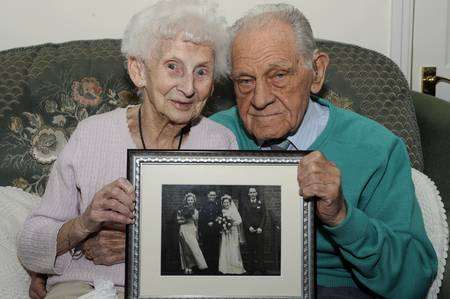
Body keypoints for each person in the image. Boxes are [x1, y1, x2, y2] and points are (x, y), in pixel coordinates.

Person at [209, 3, 437, 298]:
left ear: (316, 73)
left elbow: (414, 280)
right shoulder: (213, 137)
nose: (260, 99)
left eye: (278, 75)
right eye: (245, 81)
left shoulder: (377, 148)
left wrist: (342, 217)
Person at [19, 0, 236, 298]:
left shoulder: (219, 142)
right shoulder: (92, 134)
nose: (188, 87)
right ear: (138, 71)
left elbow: (229, 240)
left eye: (202, 72)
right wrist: (85, 224)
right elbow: (30, 245)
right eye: (173, 67)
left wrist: (142, 245)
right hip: (88, 287)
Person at [176, 192, 207, 274]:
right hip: (183, 229)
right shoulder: (181, 209)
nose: (190, 201)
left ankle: (197, 265)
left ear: (194, 201)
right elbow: (178, 221)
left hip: (192, 230)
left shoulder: (196, 211)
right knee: (185, 249)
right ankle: (187, 267)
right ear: (186, 201)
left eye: (191, 200)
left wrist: (196, 233)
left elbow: (196, 223)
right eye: (188, 200)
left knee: (193, 248)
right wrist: (185, 219)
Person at [240, 187, 267, 274]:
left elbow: (264, 216)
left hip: (259, 230)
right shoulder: (245, 204)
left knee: (260, 250)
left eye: (254, 192)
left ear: (256, 193)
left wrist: (261, 227)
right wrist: (249, 227)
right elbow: (244, 217)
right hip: (250, 230)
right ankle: (251, 268)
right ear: (248, 194)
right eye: (250, 192)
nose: (252, 194)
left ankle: (261, 267)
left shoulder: (261, 203)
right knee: (250, 250)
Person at [218, 194, 245, 274]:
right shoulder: (222, 211)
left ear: (230, 203)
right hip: (225, 232)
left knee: (233, 247)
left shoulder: (233, 210)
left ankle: (235, 266)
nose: (226, 204)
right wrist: (224, 224)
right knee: (225, 247)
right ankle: (225, 267)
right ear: (222, 203)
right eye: (224, 203)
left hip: (233, 231)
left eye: (227, 202)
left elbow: (239, 221)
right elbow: (220, 221)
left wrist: (231, 223)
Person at [198, 190, 221, 274]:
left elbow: (220, 217)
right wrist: (206, 224)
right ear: (208, 196)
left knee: (215, 248)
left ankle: (214, 267)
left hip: (215, 231)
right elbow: (200, 219)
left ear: (215, 196)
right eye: (211, 195)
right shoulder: (204, 206)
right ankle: (207, 266)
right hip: (206, 231)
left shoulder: (218, 206)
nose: (212, 196)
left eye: (214, 195)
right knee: (206, 248)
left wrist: (214, 222)